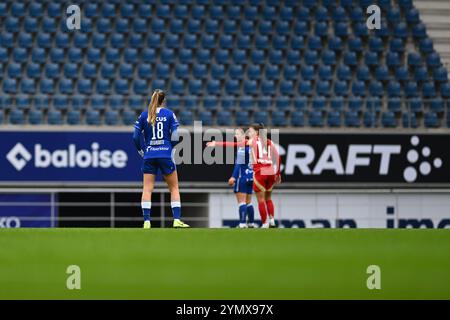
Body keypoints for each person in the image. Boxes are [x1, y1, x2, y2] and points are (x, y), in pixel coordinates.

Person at [132, 89, 189, 229]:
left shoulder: (144, 115)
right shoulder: (169, 114)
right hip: (165, 154)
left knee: (147, 189)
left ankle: (146, 221)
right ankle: (176, 220)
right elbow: (175, 136)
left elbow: (135, 136)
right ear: (163, 101)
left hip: (149, 154)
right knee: (174, 188)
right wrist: (170, 147)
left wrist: (141, 151)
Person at [207, 123, 281, 228]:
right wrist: (278, 173)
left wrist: (216, 143)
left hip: (258, 172)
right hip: (269, 171)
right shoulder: (269, 142)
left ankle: (263, 224)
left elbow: (235, 147)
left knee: (260, 200)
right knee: (268, 198)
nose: (249, 133)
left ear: (256, 132)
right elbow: (278, 158)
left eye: (250, 131)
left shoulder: (250, 142)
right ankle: (271, 221)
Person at [209, 128, 255, 228]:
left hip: (242, 177)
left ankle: (242, 223)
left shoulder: (242, 147)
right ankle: (251, 223)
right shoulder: (251, 147)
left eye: (237, 134)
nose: (235, 136)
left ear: (243, 136)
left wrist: (233, 177)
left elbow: (238, 163)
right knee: (249, 202)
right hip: (251, 176)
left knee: (242, 202)